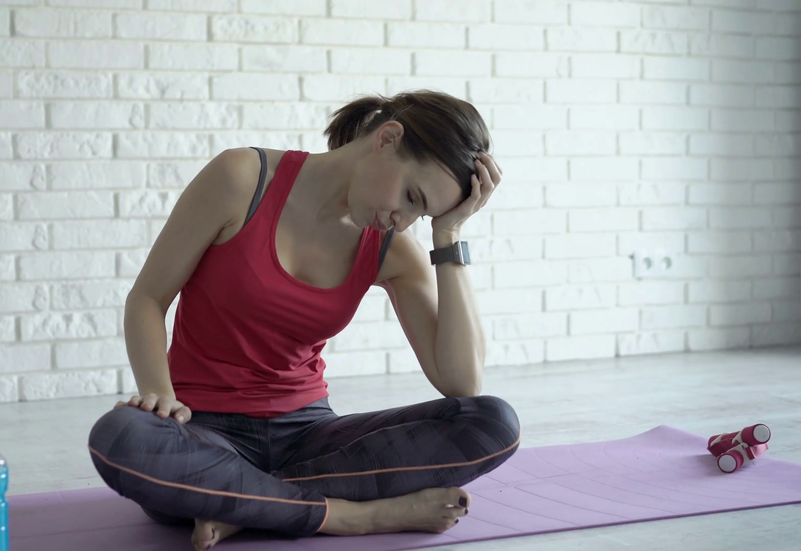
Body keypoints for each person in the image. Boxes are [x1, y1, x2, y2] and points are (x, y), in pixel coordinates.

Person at [87, 90, 521, 551]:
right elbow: (148, 299)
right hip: (202, 428)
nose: (404, 220)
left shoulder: (390, 246)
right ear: (388, 139)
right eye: (412, 196)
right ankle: (357, 516)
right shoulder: (241, 179)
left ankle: (244, 502)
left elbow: (461, 381)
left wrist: (448, 234)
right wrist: (160, 397)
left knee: (492, 422)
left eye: (423, 213)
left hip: (311, 437)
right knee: (121, 437)